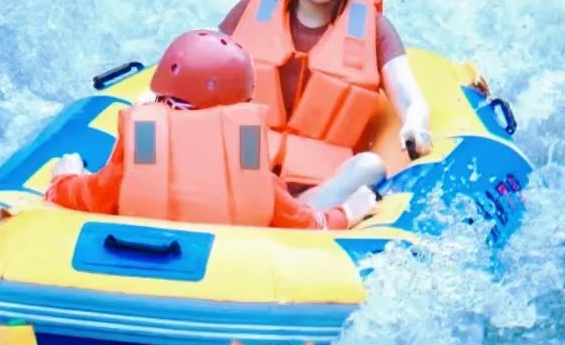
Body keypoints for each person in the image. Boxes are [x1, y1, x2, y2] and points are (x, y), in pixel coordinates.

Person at [46, 29, 379, 230]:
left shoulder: (145, 140)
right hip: (235, 273)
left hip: (138, 261)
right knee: (359, 174)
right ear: (241, 102)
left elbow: (92, 196)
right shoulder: (245, 153)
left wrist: (65, 178)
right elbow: (304, 224)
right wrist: (348, 213)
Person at [220, 0, 432, 210]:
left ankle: (300, 215)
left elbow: (409, 96)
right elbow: (196, 69)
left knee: (370, 166)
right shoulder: (252, 8)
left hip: (315, 185)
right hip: (244, 165)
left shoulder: (374, 29)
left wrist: (416, 125)